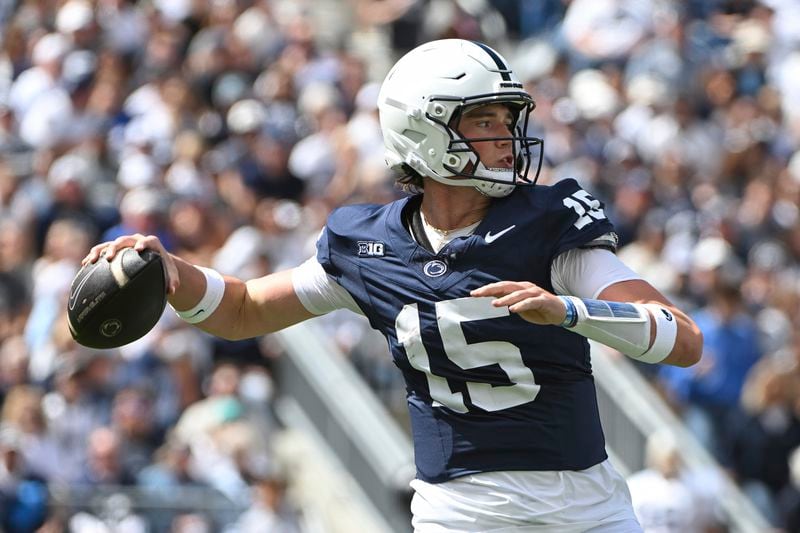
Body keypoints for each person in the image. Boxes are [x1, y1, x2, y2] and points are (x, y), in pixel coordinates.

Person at [84, 39, 703, 532]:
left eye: (507, 118)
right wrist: (172, 272)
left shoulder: (549, 222)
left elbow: (682, 340)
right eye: (484, 120)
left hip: (583, 509)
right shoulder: (366, 245)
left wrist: (570, 311)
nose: (506, 138)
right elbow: (244, 310)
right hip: (458, 513)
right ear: (426, 132)